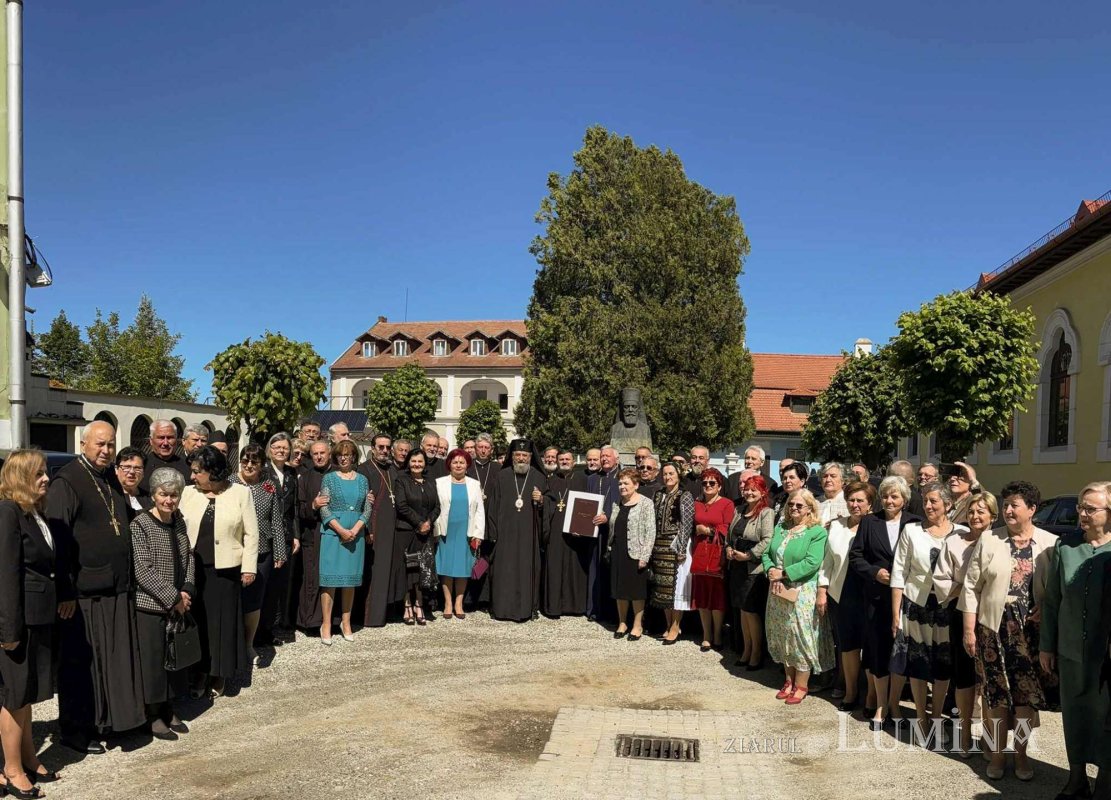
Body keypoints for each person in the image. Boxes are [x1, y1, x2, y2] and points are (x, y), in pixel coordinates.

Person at [47, 420, 146, 754]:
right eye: (100, 444)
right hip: (83, 592)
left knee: (112, 661)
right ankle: (77, 731)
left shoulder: (108, 480)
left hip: (115, 586)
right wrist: (65, 591)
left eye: (110, 445)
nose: (106, 450)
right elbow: (58, 540)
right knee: (83, 665)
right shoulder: (68, 481)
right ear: (83, 444)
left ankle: (111, 721)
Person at [960, 480, 1057, 781]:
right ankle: (999, 756)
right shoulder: (990, 540)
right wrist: (969, 630)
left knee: (1026, 700)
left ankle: (1022, 755)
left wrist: (1048, 605)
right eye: (1005, 505)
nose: (1008, 510)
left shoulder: (1051, 544)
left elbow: (1058, 589)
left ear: (1032, 509)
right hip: (993, 631)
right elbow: (971, 587)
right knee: (997, 697)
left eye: (1014, 505)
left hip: (1032, 635)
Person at [1040, 481, 1111, 800]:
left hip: (1104, 654)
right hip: (1070, 648)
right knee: (1075, 713)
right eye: (1081, 507)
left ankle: (1106, 782)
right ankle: (1077, 778)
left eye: (1090, 509)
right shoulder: (1065, 547)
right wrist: (1046, 645)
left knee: (1106, 718)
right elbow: (1052, 601)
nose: (1081, 513)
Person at [0, 450, 63, 795]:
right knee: (14, 696)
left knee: (27, 696)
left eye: (45, 473)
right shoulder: (8, 512)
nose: (46, 479)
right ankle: (10, 769)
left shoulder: (34, 512)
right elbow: (6, 575)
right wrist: (9, 632)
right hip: (18, 623)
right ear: (20, 478)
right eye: (38, 474)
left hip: (39, 618)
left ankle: (26, 756)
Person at [179, 446, 257, 697]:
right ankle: (198, 672)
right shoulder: (188, 493)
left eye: (197, 472)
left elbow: (251, 534)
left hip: (226, 573)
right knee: (199, 623)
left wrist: (249, 568)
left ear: (213, 472)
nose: (192, 477)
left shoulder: (240, 494)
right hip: (193, 570)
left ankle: (218, 673)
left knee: (221, 625)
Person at [890, 481, 963, 737]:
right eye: (925, 500)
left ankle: (936, 717)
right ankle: (921, 719)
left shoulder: (961, 533)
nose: (928, 505)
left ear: (948, 505)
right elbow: (899, 572)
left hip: (946, 608)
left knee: (943, 665)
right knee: (918, 663)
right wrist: (895, 614)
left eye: (934, 501)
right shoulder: (911, 531)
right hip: (915, 606)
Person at [849, 475, 921, 729]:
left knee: (900, 653)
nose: (889, 501)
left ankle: (895, 704)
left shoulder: (915, 523)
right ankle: (880, 704)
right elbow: (856, 556)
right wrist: (873, 572)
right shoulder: (870, 521)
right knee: (878, 651)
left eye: (895, 496)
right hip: (876, 598)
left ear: (905, 499)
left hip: (907, 598)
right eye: (886, 496)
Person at [129, 467, 194, 742]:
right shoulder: (140, 524)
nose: (169, 500)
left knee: (173, 660)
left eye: (174, 495)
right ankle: (153, 714)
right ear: (153, 495)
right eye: (163, 494)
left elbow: (189, 556)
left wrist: (187, 589)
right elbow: (142, 570)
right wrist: (173, 597)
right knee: (153, 663)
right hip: (150, 605)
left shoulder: (178, 521)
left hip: (178, 603)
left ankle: (168, 707)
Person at [932, 489, 994, 757]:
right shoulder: (954, 542)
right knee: (965, 676)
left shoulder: (1002, 542)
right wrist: (967, 589)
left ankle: (992, 738)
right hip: (961, 615)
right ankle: (965, 733)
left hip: (994, 618)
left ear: (993, 515)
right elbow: (942, 580)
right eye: (971, 511)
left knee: (992, 680)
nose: (975, 515)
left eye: (981, 511)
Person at [763, 488, 834, 705]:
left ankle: (802, 684)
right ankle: (788, 679)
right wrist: (770, 571)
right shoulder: (781, 527)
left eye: (799, 505)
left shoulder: (817, 532)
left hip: (802, 590)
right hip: (777, 590)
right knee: (782, 634)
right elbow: (768, 553)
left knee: (800, 636)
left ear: (810, 509)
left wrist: (784, 573)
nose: (794, 508)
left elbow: (812, 563)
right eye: (791, 504)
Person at [818, 480, 876, 712]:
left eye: (860, 500)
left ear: (869, 504)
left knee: (871, 647)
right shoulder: (836, 526)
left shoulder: (877, 525)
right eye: (851, 500)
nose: (854, 504)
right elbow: (828, 562)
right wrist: (822, 589)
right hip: (841, 594)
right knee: (847, 646)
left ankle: (871, 695)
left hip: (870, 596)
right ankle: (851, 691)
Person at [229, 444, 288, 661]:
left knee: (254, 601)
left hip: (262, 550)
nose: (249, 465)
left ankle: (248, 643)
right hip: (235, 550)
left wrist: (280, 552)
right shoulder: (229, 483)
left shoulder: (268, 486)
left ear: (262, 464)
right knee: (234, 599)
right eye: (245, 460)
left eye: (254, 461)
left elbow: (275, 521)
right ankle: (231, 643)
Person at [318, 440, 372, 642]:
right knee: (329, 581)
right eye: (340, 454)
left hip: (355, 534)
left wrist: (356, 529)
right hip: (333, 534)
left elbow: (367, 507)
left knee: (350, 581)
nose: (343, 457)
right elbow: (324, 507)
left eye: (347, 454)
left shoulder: (363, 480)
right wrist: (341, 530)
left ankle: (346, 621)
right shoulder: (329, 479)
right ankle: (326, 624)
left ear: (354, 457)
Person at [489, 440, 546, 622]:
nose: (521, 458)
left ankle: (528, 608)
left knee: (527, 570)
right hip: (505, 534)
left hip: (529, 535)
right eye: (517, 455)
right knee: (504, 571)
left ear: (530, 457)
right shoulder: (502, 476)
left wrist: (542, 499)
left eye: (525, 455)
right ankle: (502, 609)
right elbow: (493, 505)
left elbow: (550, 503)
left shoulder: (539, 477)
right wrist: (493, 532)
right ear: (511, 457)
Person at [725, 475, 775, 669]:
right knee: (742, 612)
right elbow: (731, 535)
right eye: (746, 488)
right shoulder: (739, 510)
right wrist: (728, 548)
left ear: (763, 492)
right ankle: (746, 649)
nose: (749, 492)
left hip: (753, 568)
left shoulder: (766, 513)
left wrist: (749, 555)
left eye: (754, 489)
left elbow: (768, 540)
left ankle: (756, 653)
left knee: (751, 612)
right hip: (736, 566)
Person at [358, 434, 404, 628]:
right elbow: (362, 502)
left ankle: (384, 613)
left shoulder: (393, 469)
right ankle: (369, 617)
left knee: (388, 571)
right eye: (381, 447)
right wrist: (367, 529)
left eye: (387, 447)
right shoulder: (364, 470)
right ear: (372, 447)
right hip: (374, 527)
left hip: (391, 527)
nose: (384, 451)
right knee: (374, 571)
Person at [540, 449, 591, 618]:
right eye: (561, 459)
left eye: (567, 459)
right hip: (555, 531)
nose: (564, 462)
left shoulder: (583, 480)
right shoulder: (550, 480)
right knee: (555, 567)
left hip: (576, 533)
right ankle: (554, 607)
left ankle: (575, 606)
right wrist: (544, 501)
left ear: (573, 462)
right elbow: (546, 501)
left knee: (574, 568)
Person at [434, 449, 484, 619]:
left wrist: (478, 534)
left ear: (467, 465)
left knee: (463, 568)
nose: (458, 465)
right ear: (449, 464)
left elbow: (479, 511)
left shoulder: (474, 484)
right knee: (447, 567)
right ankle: (448, 603)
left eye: (462, 462)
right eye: (455, 462)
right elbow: (436, 508)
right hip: (446, 531)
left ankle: (459, 603)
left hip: (466, 532)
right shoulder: (439, 483)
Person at [607, 468, 656, 640]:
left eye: (626, 483)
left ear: (636, 485)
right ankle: (622, 622)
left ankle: (637, 625)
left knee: (636, 591)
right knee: (619, 589)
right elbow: (613, 527)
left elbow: (650, 531)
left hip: (636, 553)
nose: (622, 486)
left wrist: (645, 556)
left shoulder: (646, 503)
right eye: (620, 483)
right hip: (618, 551)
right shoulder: (616, 503)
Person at [651, 463, 695, 644]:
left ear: (679, 475)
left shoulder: (684, 496)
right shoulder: (659, 494)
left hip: (675, 545)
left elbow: (687, 524)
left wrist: (682, 549)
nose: (668, 477)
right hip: (659, 545)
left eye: (671, 473)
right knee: (662, 588)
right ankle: (668, 624)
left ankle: (676, 626)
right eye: (665, 473)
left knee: (675, 590)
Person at [395, 449, 439, 626]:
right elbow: (401, 505)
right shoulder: (401, 480)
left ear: (424, 463)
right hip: (406, 531)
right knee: (408, 569)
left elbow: (437, 506)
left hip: (425, 532)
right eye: (413, 461)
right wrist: (419, 523)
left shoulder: (430, 481)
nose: (416, 465)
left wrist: (428, 522)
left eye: (420, 461)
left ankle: (419, 604)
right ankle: (407, 605)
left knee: (422, 569)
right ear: (408, 462)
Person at [691, 467, 733, 652]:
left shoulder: (726, 504)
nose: (708, 486)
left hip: (717, 553)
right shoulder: (697, 503)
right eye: (705, 483)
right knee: (702, 596)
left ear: (719, 485)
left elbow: (727, 528)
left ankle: (717, 633)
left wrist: (707, 530)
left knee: (717, 596)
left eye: (712, 483)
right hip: (700, 551)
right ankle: (706, 634)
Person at [261, 433, 297, 641]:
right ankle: (260, 631)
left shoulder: (292, 473)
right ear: (270, 449)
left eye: (285, 448)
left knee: (279, 585)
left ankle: (271, 628)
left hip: (286, 535)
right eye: (277, 447)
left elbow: (295, 508)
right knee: (265, 583)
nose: (282, 451)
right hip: (267, 535)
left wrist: (296, 536)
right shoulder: (263, 472)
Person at [296, 440, 332, 630]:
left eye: (322, 453)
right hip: (312, 533)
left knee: (330, 578)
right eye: (315, 454)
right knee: (311, 578)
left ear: (329, 454)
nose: (318, 457)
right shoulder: (305, 477)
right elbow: (300, 509)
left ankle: (330, 620)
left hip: (334, 535)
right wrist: (313, 505)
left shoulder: (336, 475)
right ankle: (310, 620)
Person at [139, 419, 190, 492]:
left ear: (176, 440)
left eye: (170, 438)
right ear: (151, 440)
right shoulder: (142, 466)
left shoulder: (187, 466)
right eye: (161, 438)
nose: (165, 443)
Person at [115, 446, 150, 517]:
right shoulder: (111, 496)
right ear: (116, 469)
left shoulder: (150, 498)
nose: (132, 472)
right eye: (127, 467)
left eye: (137, 468)